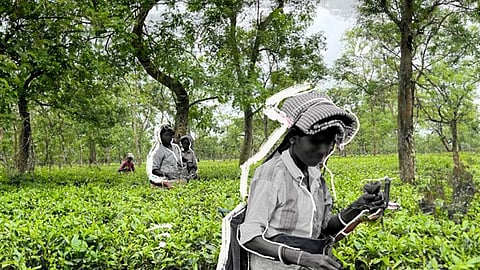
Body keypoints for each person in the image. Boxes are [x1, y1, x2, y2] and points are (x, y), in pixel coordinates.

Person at [238, 92, 385, 270]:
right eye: (316, 141)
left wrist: (358, 206)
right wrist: (302, 258)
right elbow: (250, 237)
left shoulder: (316, 176)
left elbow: (324, 228)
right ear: (293, 138)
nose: (323, 150)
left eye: (330, 143)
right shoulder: (270, 175)